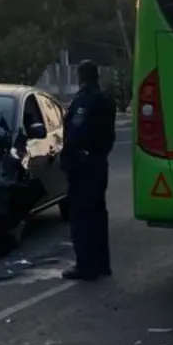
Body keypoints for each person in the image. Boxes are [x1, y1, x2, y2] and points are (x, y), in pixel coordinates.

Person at [60, 60, 117, 280]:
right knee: (98, 215)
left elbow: (76, 131)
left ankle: (85, 265)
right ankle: (102, 263)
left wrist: (69, 156)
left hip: (84, 164)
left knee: (82, 216)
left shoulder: (85, 100)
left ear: (80, 77)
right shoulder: (106, 100)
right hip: (99, 162)